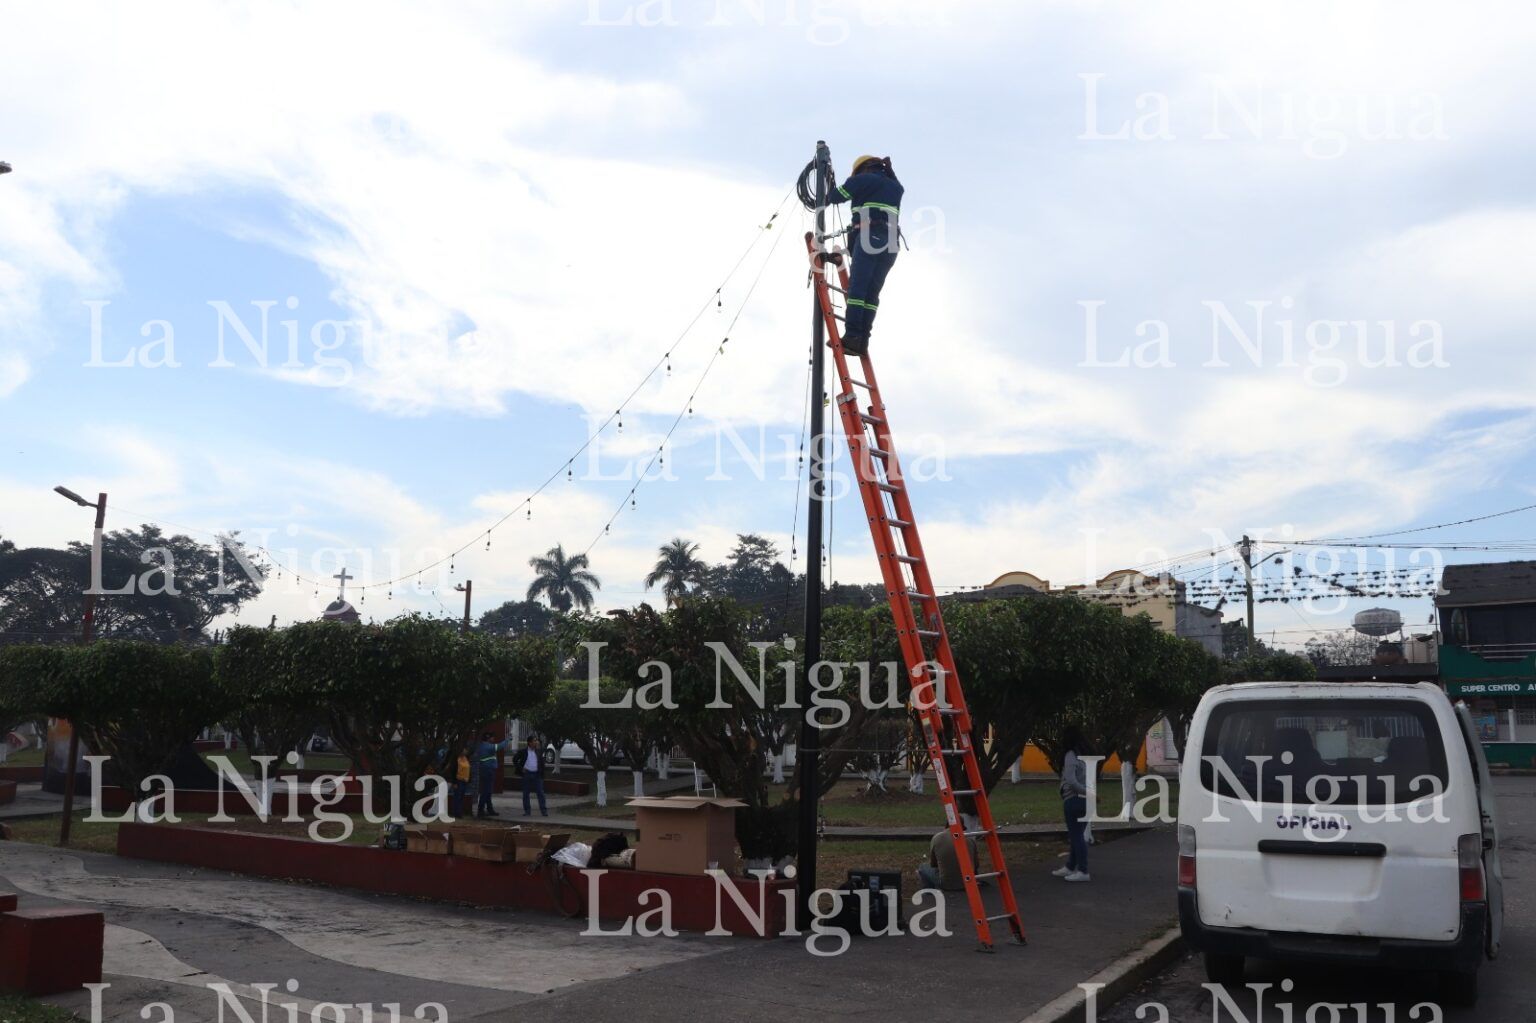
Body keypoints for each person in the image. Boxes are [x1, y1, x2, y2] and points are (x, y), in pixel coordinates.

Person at [826, 153, 903, 357]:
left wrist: (828, 181)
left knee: (857, 291)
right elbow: (894, 187)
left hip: (870, 238)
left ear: (862, 168)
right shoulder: (895, 187)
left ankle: (852, 336)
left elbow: (834, 197)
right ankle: (862, 341)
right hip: (891, 244)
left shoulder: (862, 179)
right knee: (870, 295)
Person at [1054, 728, 1091, 882]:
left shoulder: (1070, 755)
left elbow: (1070, 780)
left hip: (1075, 799)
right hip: (1087, 802)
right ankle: (1070, 866)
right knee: (1078, 836)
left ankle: (1083, 871)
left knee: (1076, 837)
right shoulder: (1085, 755)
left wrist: (1086, 792)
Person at [917, 813, 978, 891]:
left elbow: (933, 864)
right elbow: (976, 865)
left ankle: (929, 894)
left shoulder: (937, 838)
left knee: (923, 867)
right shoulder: (970, 840)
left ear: (946, 825)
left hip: (946, 884)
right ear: (962, 827)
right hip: (968, 883)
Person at [473, 731, 510, 818]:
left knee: (488, 791)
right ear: (488, 738)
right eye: (492, 737)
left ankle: (489, 809)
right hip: (488, 770)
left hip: (486, 770)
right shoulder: (488, 746)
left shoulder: (482, 745)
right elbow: (500, 746)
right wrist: (508, 739)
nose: (494, 739)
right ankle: (481, 810)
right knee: (486, 791)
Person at [521, 736, 548, 817]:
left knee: (540, 792)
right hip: (527, 774)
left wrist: (542, 774)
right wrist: (521, 768)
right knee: (526, 793)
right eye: (534, 741)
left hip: (537, 774)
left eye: (536, 741)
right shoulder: (523, 752)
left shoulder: (538, 751)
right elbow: (515, 759)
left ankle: (544, 811)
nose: (536, 742)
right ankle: (527, 811)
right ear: (529, 743)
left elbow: (542, 763)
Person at [451, 745, 472, 819]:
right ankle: (456, 813)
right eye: (464, 749)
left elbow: (468, 769)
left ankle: (459, 812)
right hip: (458, 780)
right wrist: (454, 782)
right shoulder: (457, 760)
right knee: (457, 797)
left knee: (461, 797)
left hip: (465, 781)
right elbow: (453, 771)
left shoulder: (466, 758)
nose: (466, 751)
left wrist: (469, 779)